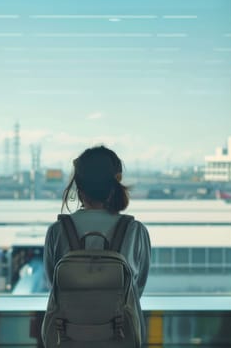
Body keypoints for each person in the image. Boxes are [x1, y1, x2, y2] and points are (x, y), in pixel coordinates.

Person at [42, 145, 151, 345]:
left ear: (79, 186)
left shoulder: (57, 231)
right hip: (120, 336)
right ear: (116, 182)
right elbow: (136, 290)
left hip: (68, 337)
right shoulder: (135, 231)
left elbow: (54, 287)